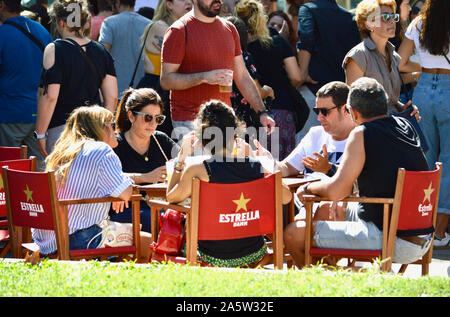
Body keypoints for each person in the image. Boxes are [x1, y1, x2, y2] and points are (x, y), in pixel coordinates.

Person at [284, 77, 431, 269]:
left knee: (293, 234)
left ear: (351, 111)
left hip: (392, 237)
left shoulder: (361, 133)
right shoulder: (405, 125)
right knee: (326, 209)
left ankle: (326, 284)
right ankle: (337, 274)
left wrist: (308, 187)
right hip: (420, 235)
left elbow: (337, 190)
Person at [166, 99, 292, 267]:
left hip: (210, 255)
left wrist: (181, 159)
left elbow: (171, 197)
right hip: (253, 254)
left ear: (202, 138)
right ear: (236, 133)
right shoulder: (256, 166)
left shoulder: (197, 169)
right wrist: (260, 160)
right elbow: (286, 197)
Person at [33, 105, 152, 262]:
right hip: (80, 239)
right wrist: (124, 185)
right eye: (112, 125)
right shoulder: (102, 150)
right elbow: (126, 193)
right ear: (99, 128)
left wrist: (116, 191)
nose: (116, 131)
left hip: (47, 241)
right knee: (146, 241)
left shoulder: (62, 152)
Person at [159, 0, 275, 142]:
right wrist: (204, 77)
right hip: (190, 122)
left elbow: (243, 76)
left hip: (224, 119)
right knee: (197, 165)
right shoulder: (178, 30)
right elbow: (166, 80)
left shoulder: (230, 29)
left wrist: (262, 112)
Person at [35, 0, 118, 158]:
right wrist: (103, 128)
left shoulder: (54, 49)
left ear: (61, 22)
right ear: (86, 21)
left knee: (61, 180)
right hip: (94, 129)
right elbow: (112, 97)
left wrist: (40, 134)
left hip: (62, 129)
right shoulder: (101, 50)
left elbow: (50, 96)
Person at [398, 0, 450, 248]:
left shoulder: (419, 24)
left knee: (424, 159)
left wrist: (427, 68)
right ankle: (439, 232)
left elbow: (401, 63)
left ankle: (421, 226)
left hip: (424, 89)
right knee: (449, 160)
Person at [235, 0, 301, 160]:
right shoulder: (278, 42)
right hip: (281, 111)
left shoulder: (238, 51)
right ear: (261, 19)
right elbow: (296, 76)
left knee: (255, 168)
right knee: (284, 168)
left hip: (247, 117)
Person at [112, 87, 179, 232]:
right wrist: (145, 177)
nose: (153, 124)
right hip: (128, 209)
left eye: (158, 119)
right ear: (131, 116)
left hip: (159, 205)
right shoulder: (116, 143)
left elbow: (181, 162)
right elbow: (109, 176)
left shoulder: (161, 139)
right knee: (156, 218)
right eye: (148, 117)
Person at [295, 0, 360, 142]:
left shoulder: (307, 10)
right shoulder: (349, 17)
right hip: (340, 97)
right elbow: (354, 54)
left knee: (308, 148)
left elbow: (306, 40)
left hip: (314, 92)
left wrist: (302, 73)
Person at [343, 0, 420, 117]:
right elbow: (352, 105)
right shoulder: (358, 56)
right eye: (385, 17)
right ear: (368, 24)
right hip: (372, 129)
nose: (392, 22)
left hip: (392, 127)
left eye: (394, 16)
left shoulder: (394, 56)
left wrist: (404, 108)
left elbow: (391, 101)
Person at [0, 0, 53, 169]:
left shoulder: (2, 35)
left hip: (9, 115)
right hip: (39, 115)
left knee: (7, 173)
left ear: (2, 5)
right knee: (37, 173)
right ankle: (42, 197)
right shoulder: (42, 31)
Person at [136, 0, 192, 138]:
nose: (188, 2)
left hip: (171, 89)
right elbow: (187, 56)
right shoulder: (160, 26)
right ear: (169, 5)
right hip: (155, 90)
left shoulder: (184, 26)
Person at [225, 15, 274, 132]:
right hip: (245, 121)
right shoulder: (245, 57)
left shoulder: (218, 58)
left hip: (223, 118)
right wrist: (268, 91)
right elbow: (257, 91)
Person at [99, 0, 151, 97]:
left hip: (113, 91)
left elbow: (101, 54)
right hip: (142, 92)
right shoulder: (149, 24)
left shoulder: (109, 23)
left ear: (117, 3)